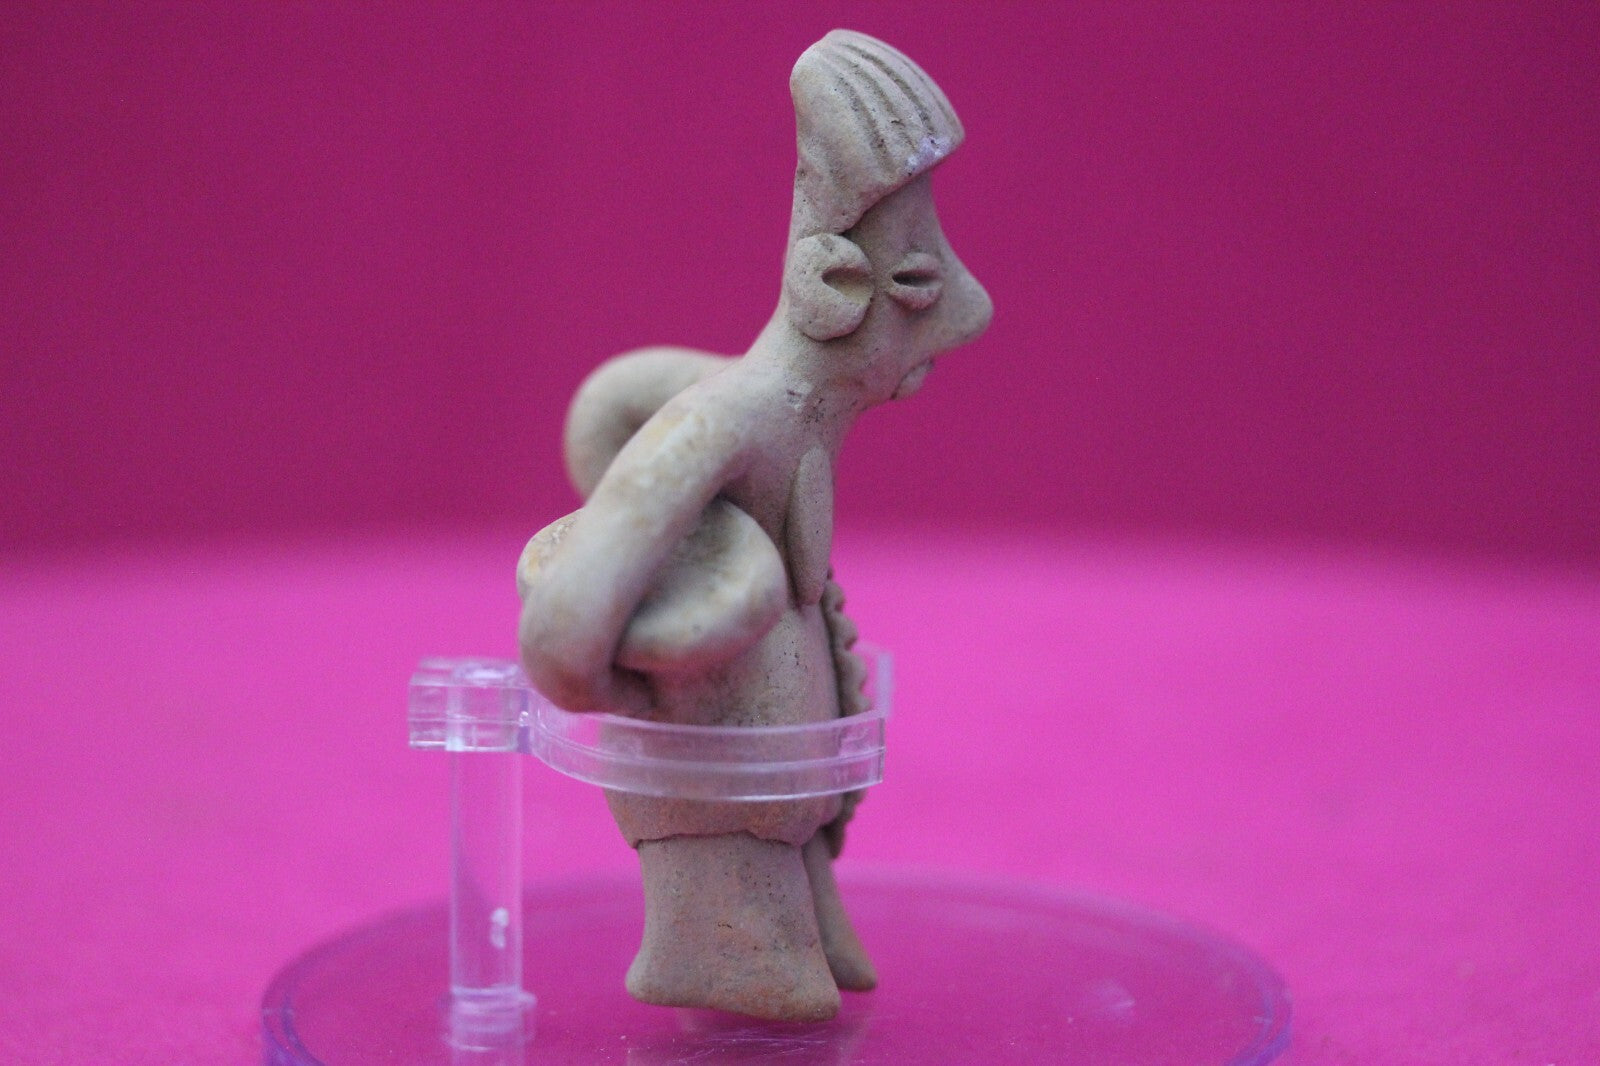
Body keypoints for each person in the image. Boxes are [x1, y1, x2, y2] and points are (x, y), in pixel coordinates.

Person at [518, 29, 992, 1021]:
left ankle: (807, 910)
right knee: (764, 963)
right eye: (917, 283)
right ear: (828, 288)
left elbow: (614, 404)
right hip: (722, 821)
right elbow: (560, 630)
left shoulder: (763, 414)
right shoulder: (731, 418)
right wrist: (643, 680)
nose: (967, 311)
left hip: (780, 804)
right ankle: (728, 949)